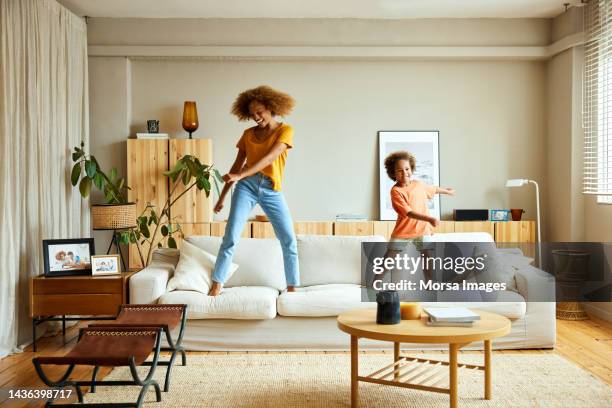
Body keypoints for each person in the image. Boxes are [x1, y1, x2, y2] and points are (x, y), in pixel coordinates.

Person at [208, 85, 299, 296]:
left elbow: (271, 157)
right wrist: (222, 197)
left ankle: (293, 288)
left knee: (288, 240)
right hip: (246, 188)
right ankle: (216, 286)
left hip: (271, 189)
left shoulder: (285, 131)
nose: (256, 117)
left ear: (271, 107)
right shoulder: (248, 134)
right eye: (252, 114)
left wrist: (241, 175)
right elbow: (235, 167)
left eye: (259, 112)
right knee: (230, 236)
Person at [383, 151, 455, 280]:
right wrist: (429, 218)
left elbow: (433, 189)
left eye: (407, 169)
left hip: (422, 230)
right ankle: (374, 283)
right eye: (399, 170)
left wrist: (446, 191)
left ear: (411, 169)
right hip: (403, 231)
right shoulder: (396, 191)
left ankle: (430, 285)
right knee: (389, 259)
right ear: (393, 173)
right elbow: (408, 213)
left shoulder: (419, 184)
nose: (404, 173)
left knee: (427, 259)